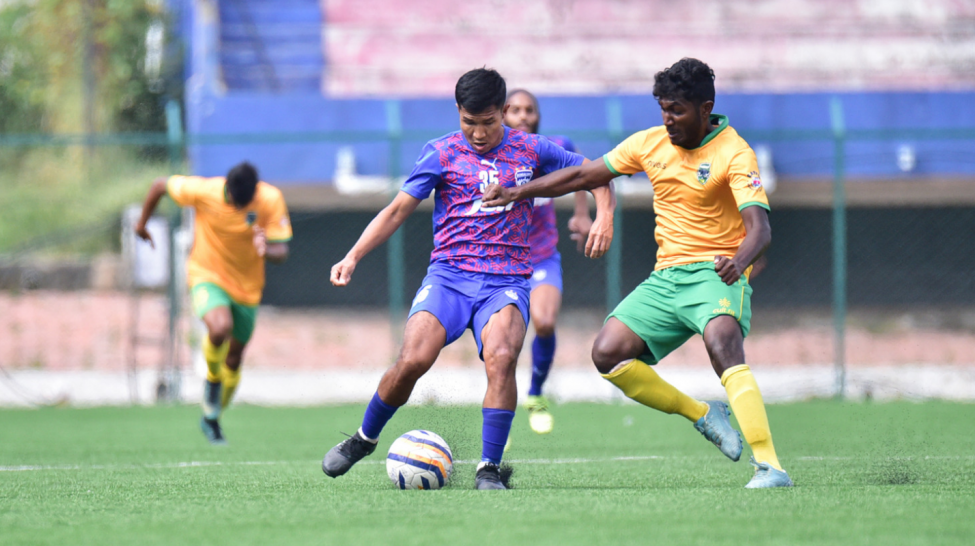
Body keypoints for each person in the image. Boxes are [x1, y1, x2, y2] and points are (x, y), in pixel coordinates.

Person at [482, 58, 792, 488]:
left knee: (722, 340)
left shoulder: (735, 152)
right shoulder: (650, 143)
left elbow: (761, 229)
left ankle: (771, 466)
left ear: (705, 108)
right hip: (666, 278)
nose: (668, 120)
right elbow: (582, 174)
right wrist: (517, 191)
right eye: (663, 109)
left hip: (716, 274)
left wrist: (738, 262)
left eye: (678, 111)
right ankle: (701, 413)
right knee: (607, 354)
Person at [320, 68, 615, 490]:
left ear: (502, 113)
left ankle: (489, 469)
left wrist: (603, 216)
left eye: (488, 122)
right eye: (468, 122)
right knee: (413, 360)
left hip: (506, 281)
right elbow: (397, 210)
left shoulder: (531, 149)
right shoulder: (440, 153)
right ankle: (364, 438)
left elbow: (597, 173)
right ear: (458, 113)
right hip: (449, 277)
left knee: (502, 357)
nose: (478, 133)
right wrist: (353, 256)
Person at [135, 162, 291, 445]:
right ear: (226, 190)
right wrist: (141, 224)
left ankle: (212, 417)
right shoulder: (204, 191)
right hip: (208, 276)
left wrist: (266, 249)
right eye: (235, 203)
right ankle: (211, 379)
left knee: (235, 357)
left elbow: (282, 251)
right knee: (220, 328)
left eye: (246, 205)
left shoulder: (270, 199)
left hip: (248, 289)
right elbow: (160, 184)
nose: (240, 209)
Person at [502, 89, 592, 435]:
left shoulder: (552, 146)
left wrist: (582, 215)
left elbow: (584, 173)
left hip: (541, 256)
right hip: (503, 261)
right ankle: (499, 416)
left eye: (529, 110)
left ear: (537, 116)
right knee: (505, 343)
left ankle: (536, 395)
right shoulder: (493, 156)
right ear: (502, 115)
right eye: (515, 110)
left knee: (544, 321)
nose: (523, 116)